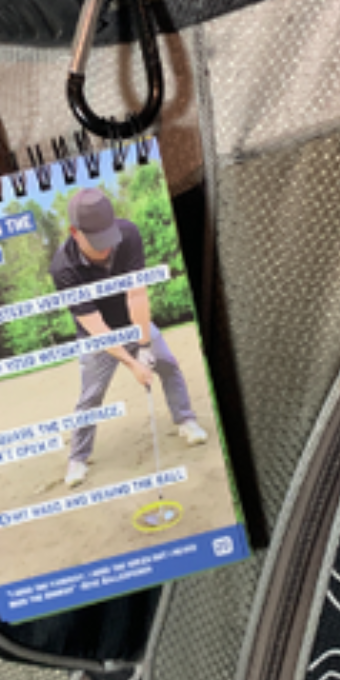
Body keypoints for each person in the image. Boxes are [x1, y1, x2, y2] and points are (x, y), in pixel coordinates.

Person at [49, 186, 207, 487]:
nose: (106, 249)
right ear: (74, 232)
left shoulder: (129, 234)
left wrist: (144, 344)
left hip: (133, 320)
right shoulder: (63, 268)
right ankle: (78, 458)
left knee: (168, 365)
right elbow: (95, 326)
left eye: (108, 239)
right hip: (97, 335)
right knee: (90, 397)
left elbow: (136, 295)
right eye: (97, 243)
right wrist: (132, 364)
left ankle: (185, 420)